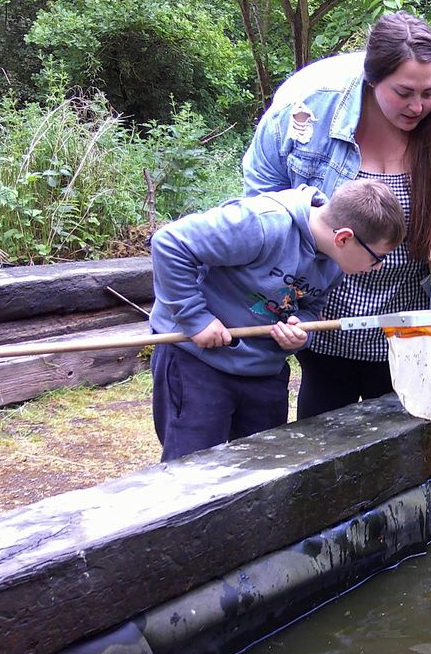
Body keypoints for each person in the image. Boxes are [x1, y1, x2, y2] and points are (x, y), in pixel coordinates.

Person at [242, 11, 431, 420]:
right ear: (372, 77)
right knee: (323, 440)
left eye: (429, 92)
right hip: (322, 320)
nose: (417, 106)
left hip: (412, 329)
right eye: (402, 92)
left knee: (402, 442)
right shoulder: (308, 108)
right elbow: (261, 197)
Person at [149, 179, 405, 462]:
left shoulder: (334, 262)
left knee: (265, 468)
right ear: (344, 238)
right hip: (198, 364)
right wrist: (196, 319)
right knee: (191, 467)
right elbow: (170, 244)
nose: (379, 267)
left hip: (263, 372)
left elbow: (312, 306)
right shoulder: (262, 224)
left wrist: (301, 330)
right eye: (377, 257)